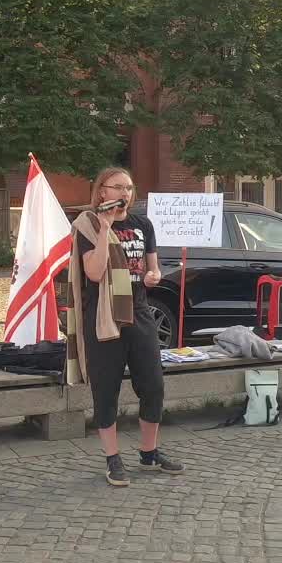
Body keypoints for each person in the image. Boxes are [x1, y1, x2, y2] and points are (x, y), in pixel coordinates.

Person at [70, 167, 182, 487]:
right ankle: (112, 458)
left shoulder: (142, 224)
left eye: (130, 188)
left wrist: (153, 277)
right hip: (104, 316)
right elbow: (93, 273)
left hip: (139, 311)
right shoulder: (88, 226)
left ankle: (149, 452)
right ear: (102, 191)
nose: (125, 193)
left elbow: (153, 268)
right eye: (118, 187)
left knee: (153, 384)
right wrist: (106, 227)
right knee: (107, 389)